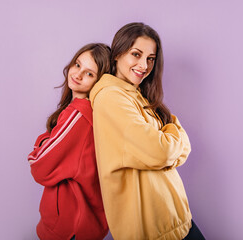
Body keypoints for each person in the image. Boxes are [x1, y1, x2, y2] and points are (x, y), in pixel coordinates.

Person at [90, 23, 205, 240]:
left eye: (150, 58)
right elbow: (161, 151)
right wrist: (171, 133)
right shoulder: (111, 98)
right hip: (154, 231)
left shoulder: (136, 95)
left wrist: (168, 145)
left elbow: (181, 148)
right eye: (136, 54)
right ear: (117, 53)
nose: (144, 65)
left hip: (175, 220)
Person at [28, 43, 110, 240]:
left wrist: (42, 141)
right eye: (77, 64)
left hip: (69, 228)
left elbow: (39, 166)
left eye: (90, 74)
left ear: (99, 82)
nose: (78, 74)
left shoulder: (78, 116)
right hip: (84, 224)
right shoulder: (89, 113)